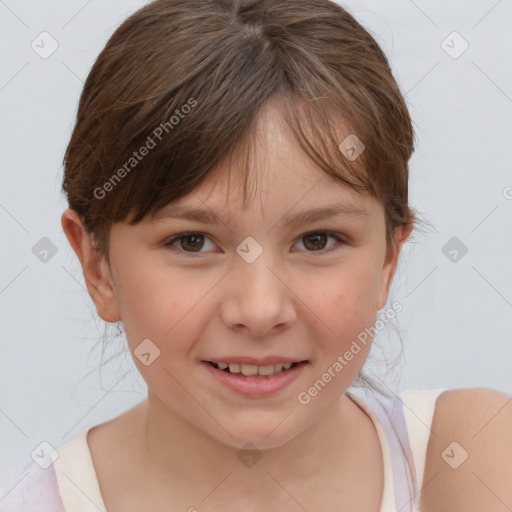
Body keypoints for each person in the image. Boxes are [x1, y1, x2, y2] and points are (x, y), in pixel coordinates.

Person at [2, 0, 511, 510]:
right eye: (192, 242)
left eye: (317, 240)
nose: (260, 310)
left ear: (387, 261)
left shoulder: (472, 460)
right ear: (98, 267)